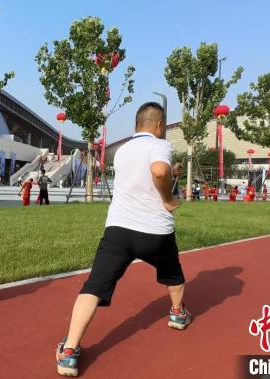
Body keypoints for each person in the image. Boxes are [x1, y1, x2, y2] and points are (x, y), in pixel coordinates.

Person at [55, 102, 189, 377]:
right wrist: (168, 197)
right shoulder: (160, 145)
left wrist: (169, 173)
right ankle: (177, 313)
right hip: (155, 231)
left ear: (136, 125)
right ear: (160, 125)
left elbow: (145, 175)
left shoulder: (123, 150)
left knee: (93, 286)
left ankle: (69, 350)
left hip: (119, 229)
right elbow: (158, 172)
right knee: (173, 273)